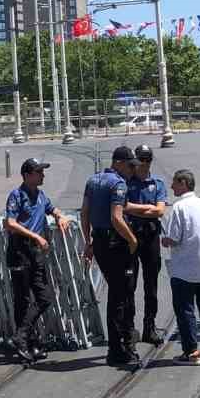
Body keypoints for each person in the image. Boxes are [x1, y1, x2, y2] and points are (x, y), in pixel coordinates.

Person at [4, 158, 71, 364]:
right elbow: (10, 223)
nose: (43, 175)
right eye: (39, 172)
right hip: (20, 250)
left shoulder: (40, 195)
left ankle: (22, 336)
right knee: (23, 299)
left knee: (44, 297)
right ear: (27, 175)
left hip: (36, 253)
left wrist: (60, 216)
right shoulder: (17, 195)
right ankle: (27, 343)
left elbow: (52, 209)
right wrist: (35, 237)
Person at [82, 146, 141, 365]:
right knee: (121, 295)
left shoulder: (93, 180)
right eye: (129, 165)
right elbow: (117, 217)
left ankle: (121, 342)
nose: (131, 170)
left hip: (99, 242)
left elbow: (85, 212)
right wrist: (132, 240)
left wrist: (88, 242)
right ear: (118, 163)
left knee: (117, 292)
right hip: (116, 243)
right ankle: (119, 348)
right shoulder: (118, 184)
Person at [161, 168, 200, 364]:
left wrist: (164, 240)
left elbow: (173, 238)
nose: (171, 186)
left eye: (174, 183)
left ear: (183, 184)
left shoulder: (179, 208)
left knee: (185, 309)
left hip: (185, 268)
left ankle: (192, 353)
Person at [125, 145, 169, 346]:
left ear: (149, 161)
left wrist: (138, 211)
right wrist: (148, 209)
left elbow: (160, 212)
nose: (142, 163)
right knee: (130, 284)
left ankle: (149, 327)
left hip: (151, 235)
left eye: (145, 159)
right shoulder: (126, 182)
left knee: (151, 284)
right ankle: (130, 328)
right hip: (131, 236)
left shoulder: (158, 183)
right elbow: (124, 208)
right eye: (139, 159)